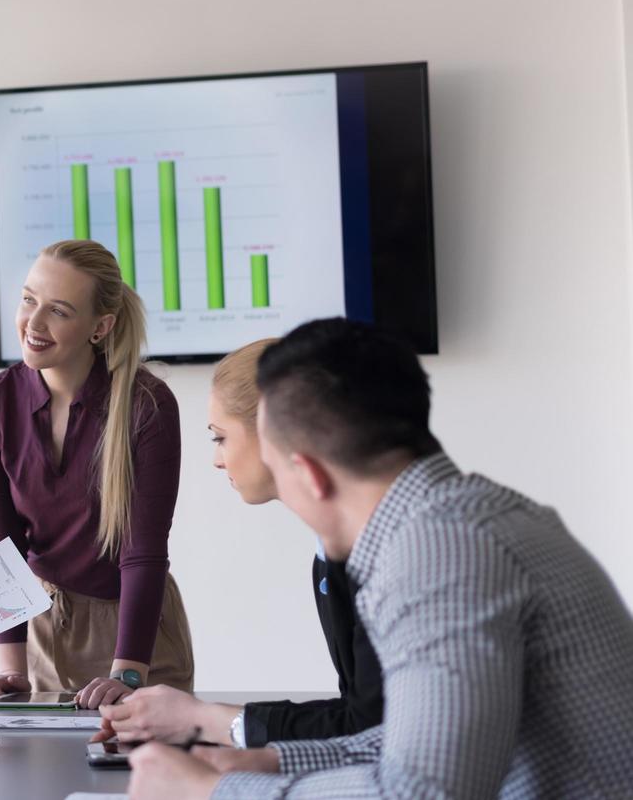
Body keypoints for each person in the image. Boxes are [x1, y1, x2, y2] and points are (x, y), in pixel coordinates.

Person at [126, 318, 633, 799]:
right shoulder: (470, 518)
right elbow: (415, 738)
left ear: (309, 474)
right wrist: (275, 761)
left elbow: (428, 791)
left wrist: (211, 790)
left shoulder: (440, 555)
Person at [97, 338, 383, 748]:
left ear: (276, 434)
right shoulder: (333, 551)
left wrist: (206, 723)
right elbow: (360, 712)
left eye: (220, 438)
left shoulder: (379, 554)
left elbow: (375, 729)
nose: (217, 460)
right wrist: (210, 728)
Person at [0, 239, 194, 711]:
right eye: (29, 300)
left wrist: (127, 673)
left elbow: (144, 552)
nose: (34, 323)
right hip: (45, 626)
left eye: (60, 311)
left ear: (100, 327)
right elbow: (0, 543)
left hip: (138, 635)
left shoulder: (145, 405)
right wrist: (11, 667)